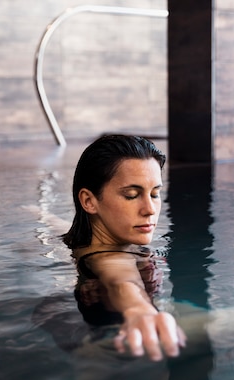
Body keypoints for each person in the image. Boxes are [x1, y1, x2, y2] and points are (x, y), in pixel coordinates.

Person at [62, 134, 186, 361]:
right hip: (120, 338)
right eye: (132, 195)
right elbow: (121, 280)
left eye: (155, 194)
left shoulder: (81, 242)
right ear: (89, 201)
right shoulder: (108, 257)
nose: (150, 209)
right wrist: (140, 309)